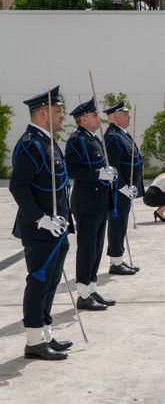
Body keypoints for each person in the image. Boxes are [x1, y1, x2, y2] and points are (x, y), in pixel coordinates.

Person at [9, 86, 73, 360]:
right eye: (58, 111)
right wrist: (41, 218)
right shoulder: (30, 145)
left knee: (51, 282)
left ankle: (45, 333)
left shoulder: (47, 140)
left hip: (56, 228)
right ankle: (33, 341)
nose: (62, 116)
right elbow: (18, 187)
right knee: (38, 282)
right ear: (42, 113)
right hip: (40, 230)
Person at [65, 98, 118, 311]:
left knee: (96, 249)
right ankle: (83, 294)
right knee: (87, 249)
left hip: (100, 202)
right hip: (86, 203)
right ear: (83, 118)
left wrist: (108, 173)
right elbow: (72, 170)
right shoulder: (76, 140)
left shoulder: (94, 139)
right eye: (95, 115)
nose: (99, 118)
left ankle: (92, 288)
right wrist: (98, 174)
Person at [104, 100, 144, 276]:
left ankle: (119, 258)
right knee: (117, 224)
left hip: (128, 189)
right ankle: (115, 261)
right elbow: (113, 166)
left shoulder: (122, 134)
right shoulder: (112, 136)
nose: (129, 116)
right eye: (125, 114)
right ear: (115, 117)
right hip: (118, 192)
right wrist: (122, 187)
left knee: (121, 224)